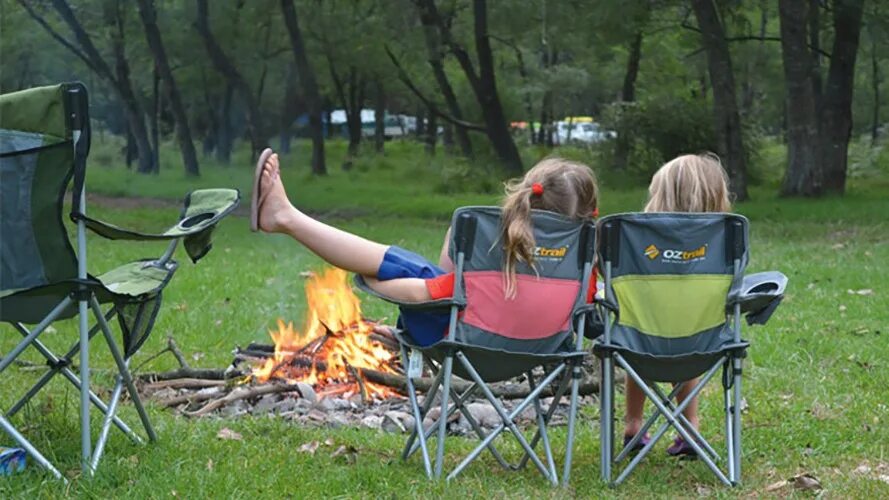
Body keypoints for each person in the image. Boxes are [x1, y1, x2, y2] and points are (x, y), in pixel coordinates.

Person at [250, 149, 599, 346]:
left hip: (464, 348)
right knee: (443, 281)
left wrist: (371, 282)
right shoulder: (586, 273)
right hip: (547, 352)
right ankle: (284, 216)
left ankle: (285, 218)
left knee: (412, 268)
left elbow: (423, 295)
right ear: (588, 217)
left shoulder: (488, 263)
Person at [622, 153, 733, 458]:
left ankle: (634, 424)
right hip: (701, 341)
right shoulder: (724, 239)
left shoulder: (635, 237)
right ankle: (689, 425)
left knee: (636, 329)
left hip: (640, 342)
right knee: (688, 332)